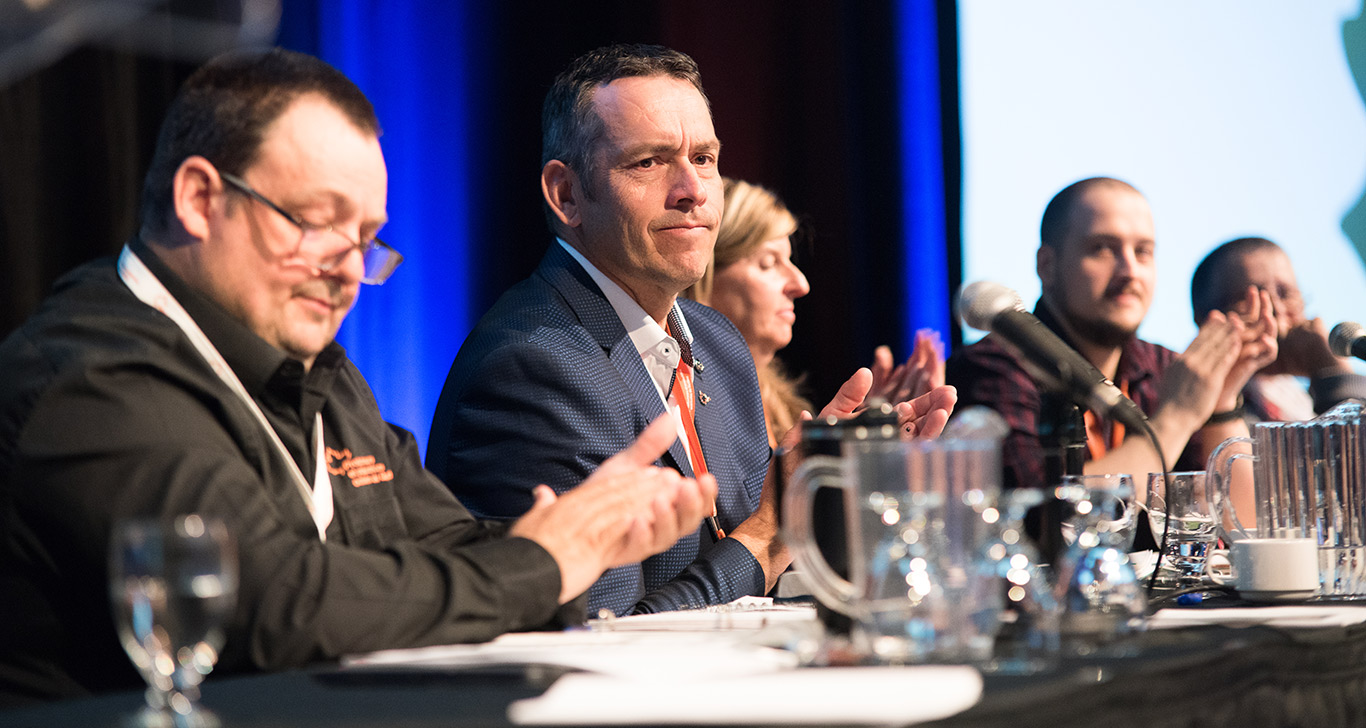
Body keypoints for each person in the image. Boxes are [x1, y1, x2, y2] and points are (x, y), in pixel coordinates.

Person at [0, 48, 717, 707]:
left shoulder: (321, 373)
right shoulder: (90, 376)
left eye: (366, 239)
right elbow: (277, 603)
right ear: (199, 200)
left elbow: (445, 545)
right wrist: (543, 562)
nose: (349, 269)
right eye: (317, 223)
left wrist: (577, 531)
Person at [426, 44, 956, 618]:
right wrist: (768, 535)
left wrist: (825, 496)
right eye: (649, 162)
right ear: (567, 195)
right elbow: (602, 636)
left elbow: (763, 584)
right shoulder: (534, 368)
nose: (693, 190)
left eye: (704, 158)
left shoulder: (717, 341)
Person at [946, 177, 1277, 502]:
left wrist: (1221, 402)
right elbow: (1043, 518)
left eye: (1143, 252)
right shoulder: (994, 367)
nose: (1130, 270)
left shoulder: (1163, 366)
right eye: (1103, 249)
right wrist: (1176, 418)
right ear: (1047, 265)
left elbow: (1240, 528)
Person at [681, 176, 945, 447]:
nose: (801, 285)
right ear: (703, 275)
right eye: (769, 263)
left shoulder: (783, 408)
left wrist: (871, 436)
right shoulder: (681, 404)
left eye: (789, 261)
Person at [1192, 237, 1366, 421]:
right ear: (1206, 320)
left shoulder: (1306, 396)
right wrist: (1335, 375)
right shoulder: (1202, 406)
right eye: (1253, 300)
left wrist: (1331, 371)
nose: (1278, 312)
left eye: (1287, 294)